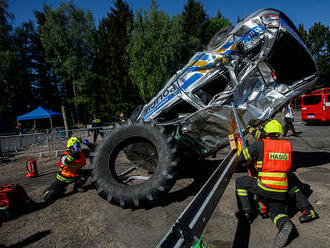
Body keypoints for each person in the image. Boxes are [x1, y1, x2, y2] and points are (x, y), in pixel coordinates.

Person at [236, 120, 318, 248]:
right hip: (282, 188)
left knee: (240, 182)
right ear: (279, 133)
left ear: (266, 132)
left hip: (265, 186)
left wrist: (245, 150)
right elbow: (289, 167)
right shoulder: (286, 145)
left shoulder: (260, 144)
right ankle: (284, 223)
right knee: (276, 212)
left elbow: (242, 157)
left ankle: (247, 212)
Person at [246, 120, 319, 224]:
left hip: (271, 179)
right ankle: (308, 210)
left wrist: (249, 127)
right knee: (292, 188)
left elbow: (257, 135)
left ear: (266, 132)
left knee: (288, 191)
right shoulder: (284, 143)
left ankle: (262, 211)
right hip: (283, 175)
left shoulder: (263, 139)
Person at [43, 137, 93, 204]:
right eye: (77, 146)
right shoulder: (65, 155)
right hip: (63, 179)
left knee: (87, 173)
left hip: (74, 175)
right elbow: (67, 161)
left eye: (79, 145)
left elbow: (95, 152)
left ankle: (77, 187)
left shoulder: (81, 153)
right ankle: (47, 191)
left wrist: (90, 145)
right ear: (71, 147)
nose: (79, 147)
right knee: (51, 197)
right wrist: (75, 152)